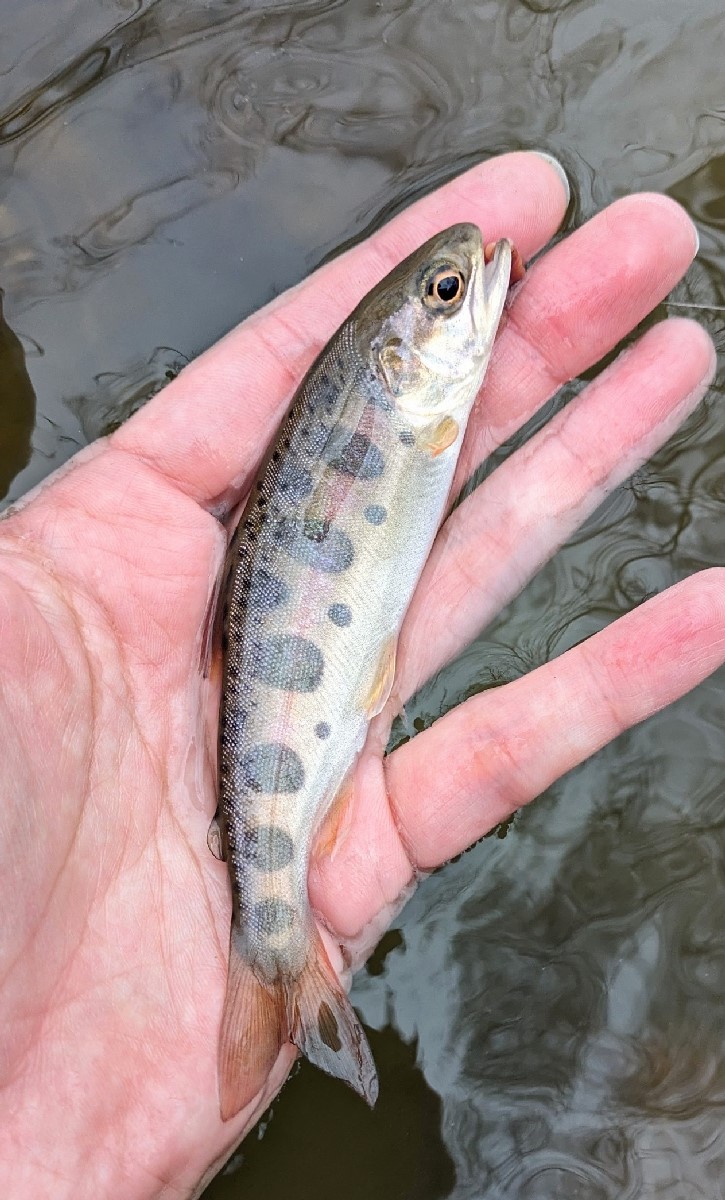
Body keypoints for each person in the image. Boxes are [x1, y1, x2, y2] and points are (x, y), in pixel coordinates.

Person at [0, 151, 721, 1199]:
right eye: (447, 294)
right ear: (393, 362)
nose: (467, 286)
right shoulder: (413, 402)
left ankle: (272, 955)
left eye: (445, 289)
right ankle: (269, 947)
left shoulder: (420, 393)